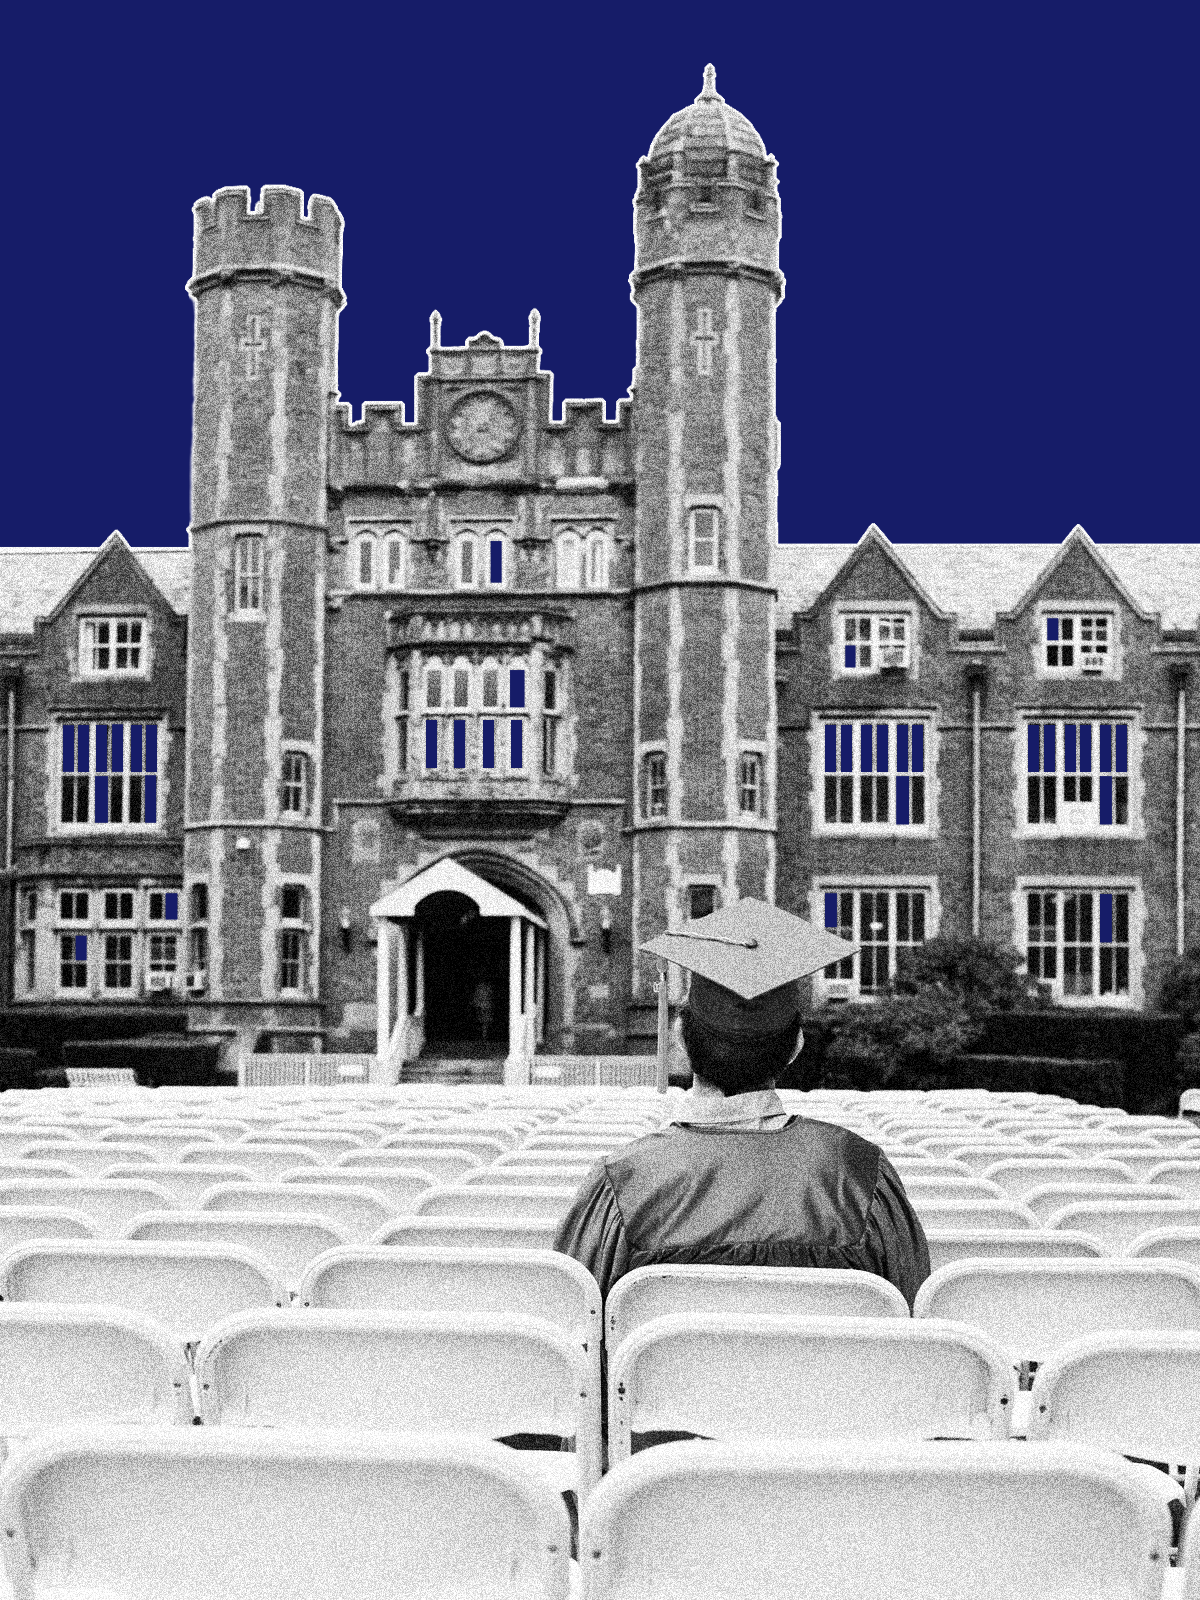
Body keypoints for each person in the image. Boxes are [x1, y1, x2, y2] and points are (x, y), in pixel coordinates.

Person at [553, 898, 931, 1310]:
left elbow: (570, 1331)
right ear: (795, 1048)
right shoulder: (860, 1175)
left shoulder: (622, 1185)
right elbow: (912, 1327)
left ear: (679, 1039)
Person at [471, 977, 495, 1044]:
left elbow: (490, 996)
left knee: (483, 1023)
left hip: (483, 1006)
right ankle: (482, 1038)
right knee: (483, 1023)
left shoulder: (483, 987)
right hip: (484, 1006)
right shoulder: (485, 987)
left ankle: (483, 1038)